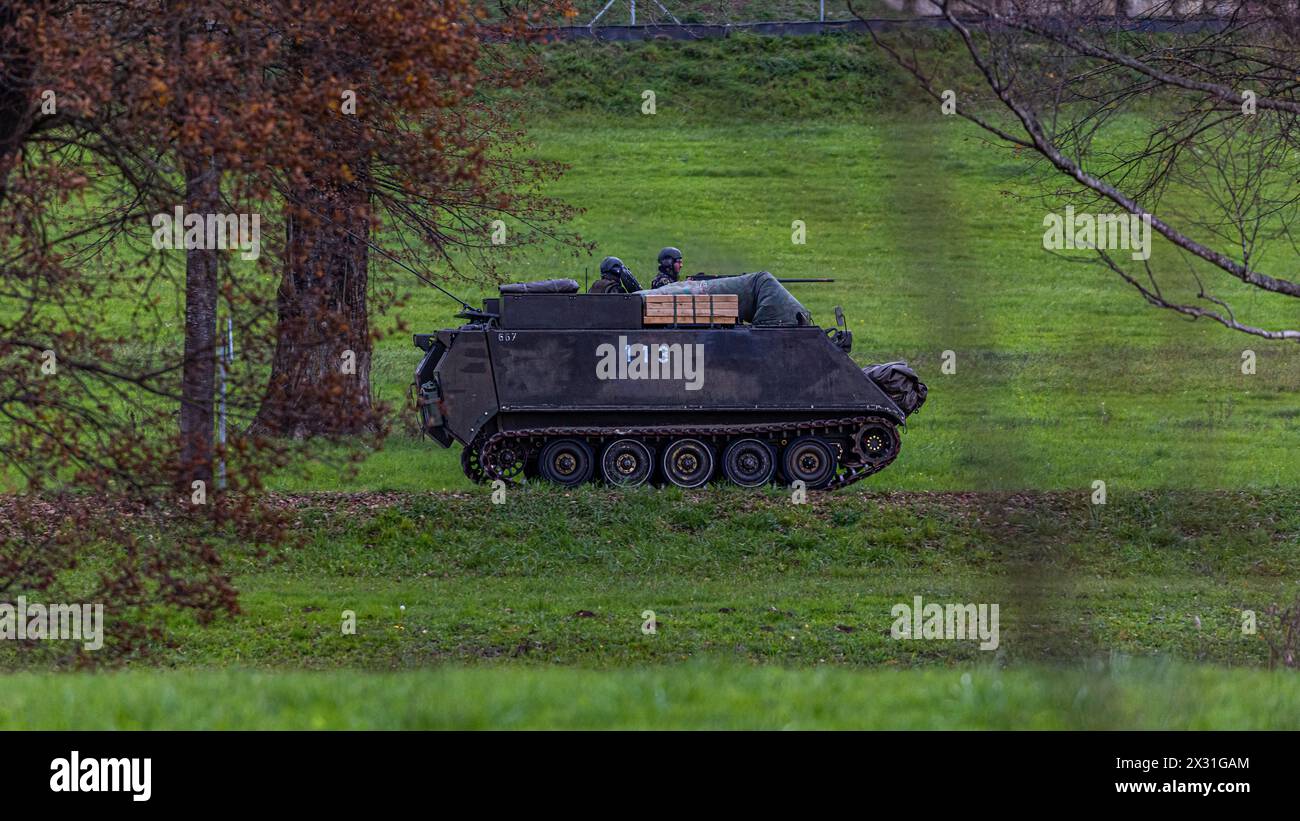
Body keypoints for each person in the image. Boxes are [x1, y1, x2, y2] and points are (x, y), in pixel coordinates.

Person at [640, 270, 813, 327]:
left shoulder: (760, 283)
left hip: (698, 293)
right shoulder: (761, 283)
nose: (680, 264)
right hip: (698, 294)